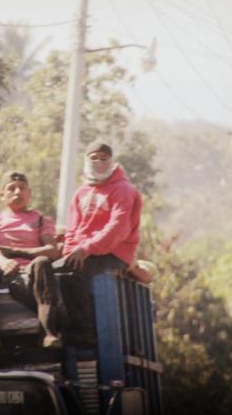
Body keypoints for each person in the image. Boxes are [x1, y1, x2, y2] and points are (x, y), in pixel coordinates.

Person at [55, 140, 143, 344]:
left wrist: (87, 249)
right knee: (51, 271)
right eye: (93, 158)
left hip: (115, 253)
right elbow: (72, 229)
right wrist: (69, 254)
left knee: (71, 273)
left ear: (111, 161)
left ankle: (84, 331)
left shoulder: (123, 189)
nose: (99, 162)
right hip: (85, 252)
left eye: (104, 159)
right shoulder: (81, 193)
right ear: (86, 161)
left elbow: (118, 228)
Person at [0, 171, 64, 351]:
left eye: (22, 188)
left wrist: (16, 252)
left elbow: (52, 251)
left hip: (31, 273)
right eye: (11, 188)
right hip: (2, 272)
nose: (17, 192)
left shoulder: (41, 220)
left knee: (42, 262)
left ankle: (48, 332)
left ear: (29, 193)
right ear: (2, 194)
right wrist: (4, 263)